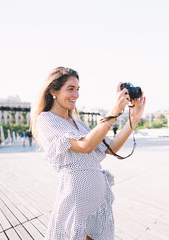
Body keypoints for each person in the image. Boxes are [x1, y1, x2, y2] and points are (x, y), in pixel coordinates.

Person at [31, 66, 146, 240]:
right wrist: (114, 111)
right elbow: (85, 146)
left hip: (98, 204)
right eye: (70, 89)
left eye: (78, 89)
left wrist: (133, 118)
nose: (76, 94)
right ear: (53, 90)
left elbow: (111, 148)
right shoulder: (46, 119)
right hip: (75, 202)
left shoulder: (78, 123)